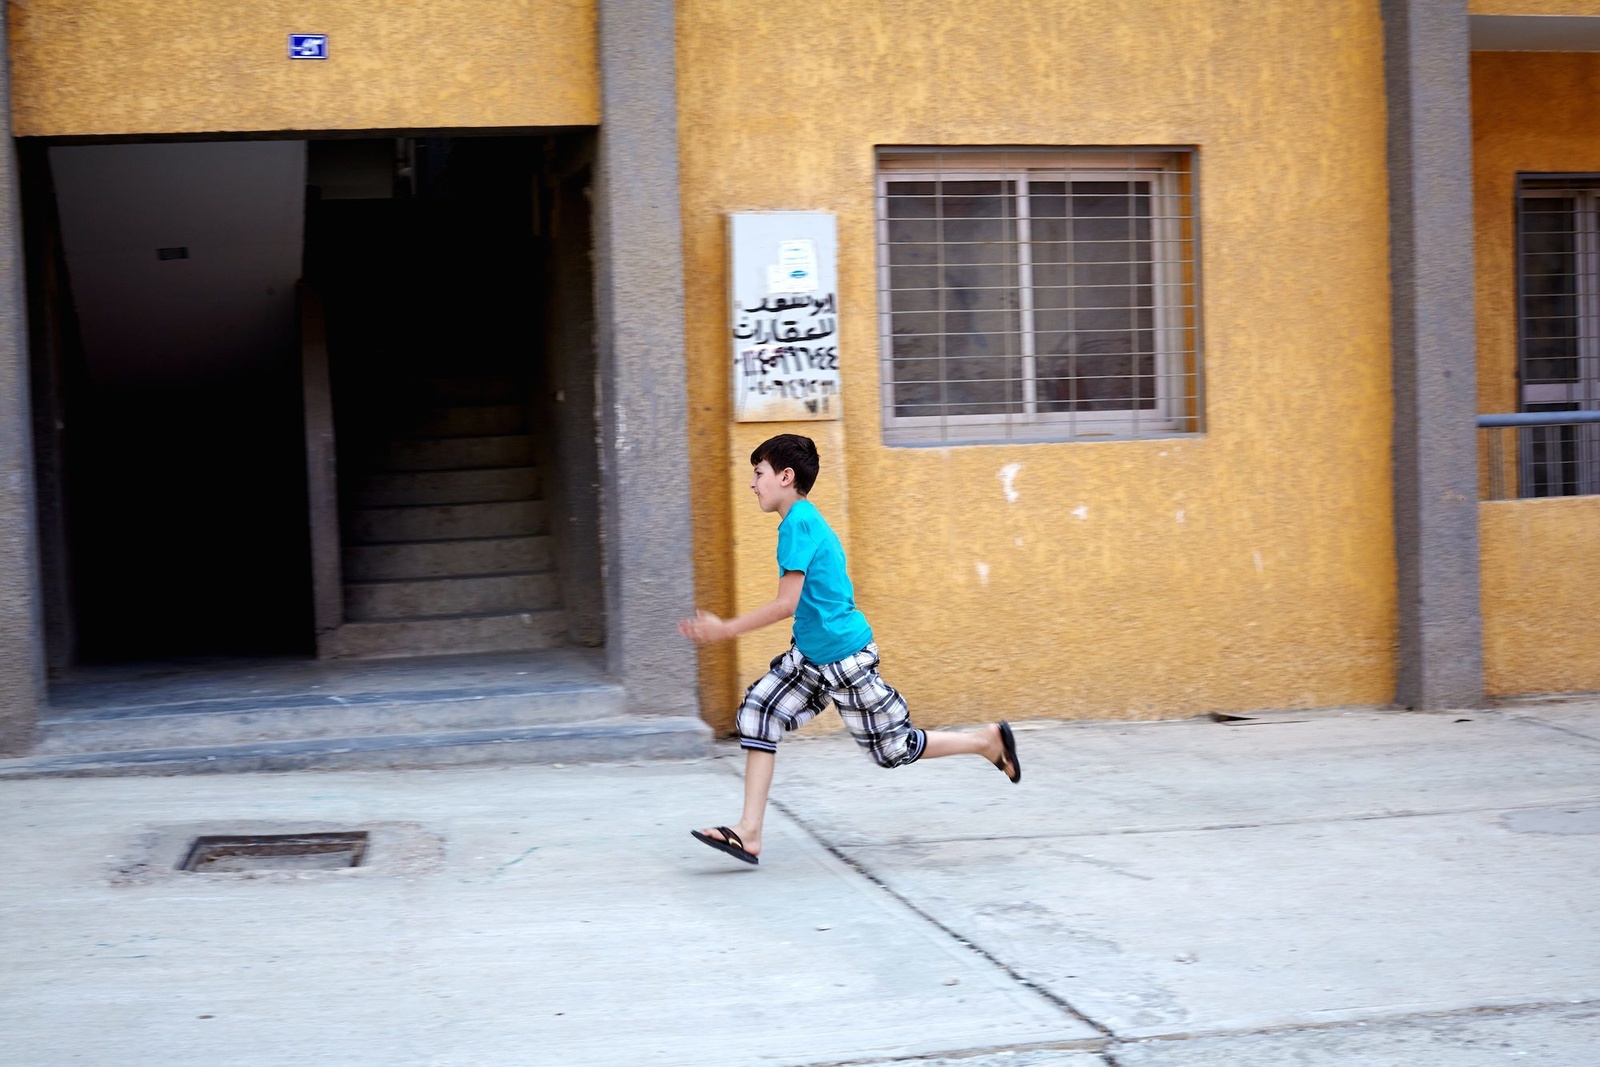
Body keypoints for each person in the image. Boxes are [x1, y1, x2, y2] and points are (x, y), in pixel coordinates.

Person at [679, 433, 1020, 866]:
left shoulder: (798, 524)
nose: (752, 483)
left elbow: (786, 604)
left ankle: (985, 741)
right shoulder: (801, 520)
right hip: (811, 656)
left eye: (758, 473)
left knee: (892, 749)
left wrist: (724, 629)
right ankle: (748, 832)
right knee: (759, 712)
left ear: (786, 477)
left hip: (842, 658)